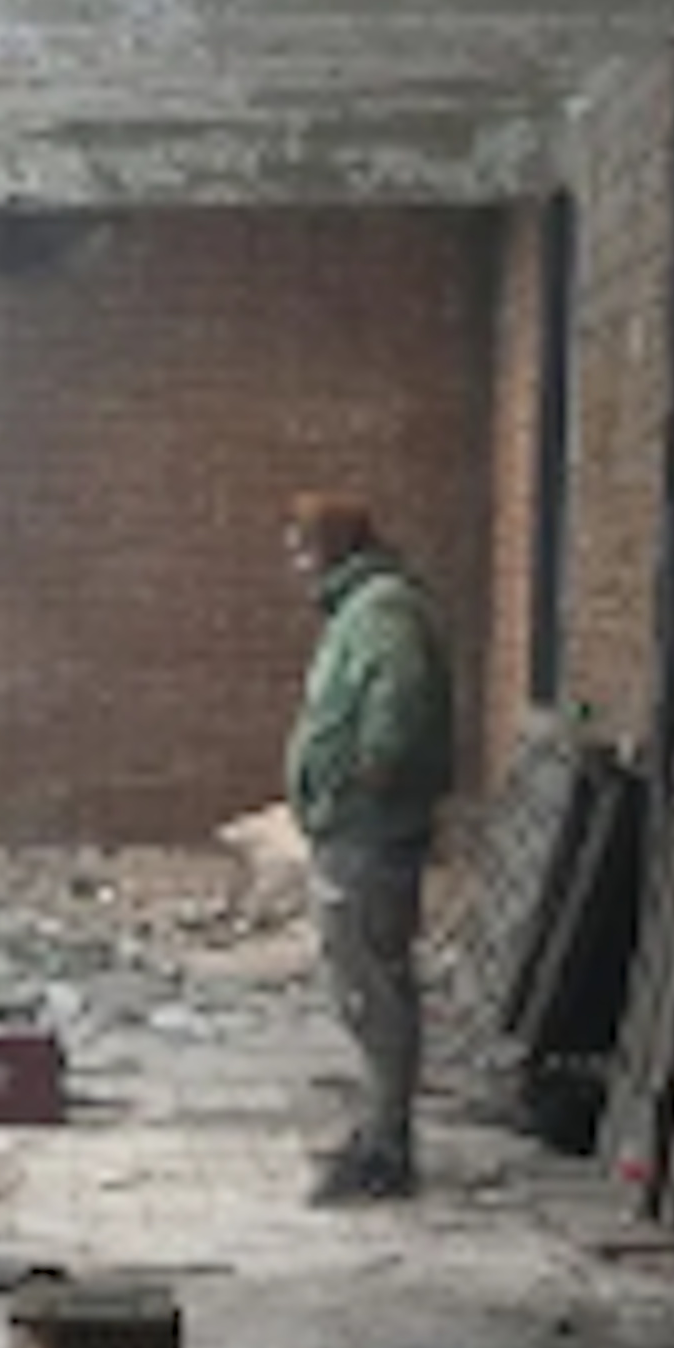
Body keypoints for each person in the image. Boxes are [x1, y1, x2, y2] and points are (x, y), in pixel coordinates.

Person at [282, 491, 456, 1203]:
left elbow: (396, 713)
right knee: (364, 988)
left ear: (330, 546)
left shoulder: (382, 613)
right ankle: (380, 1130)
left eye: (299, 548)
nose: (294, 565)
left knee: (374, 989)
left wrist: (355, 786)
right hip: (352, 827)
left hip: (368, 831)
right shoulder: (363, 610)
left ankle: (388, 1146)